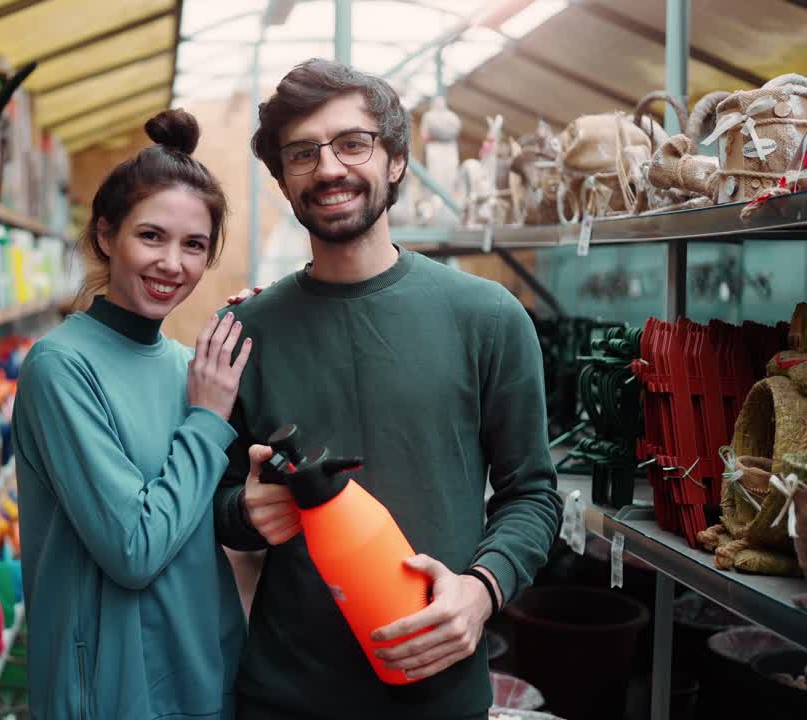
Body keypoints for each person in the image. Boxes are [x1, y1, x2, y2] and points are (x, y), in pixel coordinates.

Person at [214, 59, 563, 719]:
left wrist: (481, 591)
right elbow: (214, 502)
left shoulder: (488, 318)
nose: (328, 168)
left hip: (439, 692)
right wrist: (244, 512)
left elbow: (531, 494)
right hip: (287, 696)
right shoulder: (244, 334)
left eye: (353, 143)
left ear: (397, 160)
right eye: (302, 153)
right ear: (282, 178)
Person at [12, 108, 252, 720]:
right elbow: (134, 549)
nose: (172, 263)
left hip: (203, 671)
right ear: (105, 235)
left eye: (194, 245)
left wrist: (263, 336)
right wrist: (207, 419)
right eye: (151, 236)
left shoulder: (188, 368)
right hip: (111, 691)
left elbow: (208, 517)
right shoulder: (61, 367)